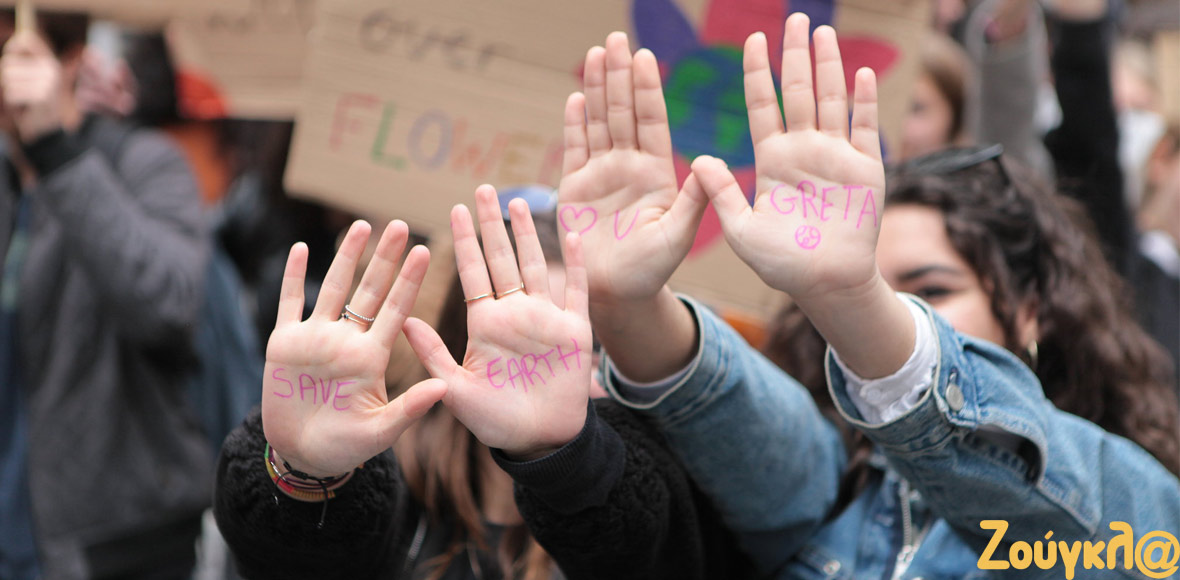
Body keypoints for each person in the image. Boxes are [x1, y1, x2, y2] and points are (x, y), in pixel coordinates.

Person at [515, 15, 1178, 578]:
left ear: (1033, 307)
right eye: (878, 289)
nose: (893, 312)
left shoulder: (1122, 488)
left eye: (929, 289)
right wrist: (627, 306)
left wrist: (854, 297)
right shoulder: (832, 485)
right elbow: (747, 430)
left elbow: (1124, 539)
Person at [213, 189, 750, 579]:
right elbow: (298, 566)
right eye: (531, 349)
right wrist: (305, 478)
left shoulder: (661, 501)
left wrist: (560, 454)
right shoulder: (394, 479)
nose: (570, 374)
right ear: (462, 344)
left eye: (591, 347)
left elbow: (652, 554)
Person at [0, 9, 212, 580]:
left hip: (119, 539)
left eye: (9, 55)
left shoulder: (145, 162)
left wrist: (54, 149)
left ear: (69, 61)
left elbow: (167, 305)